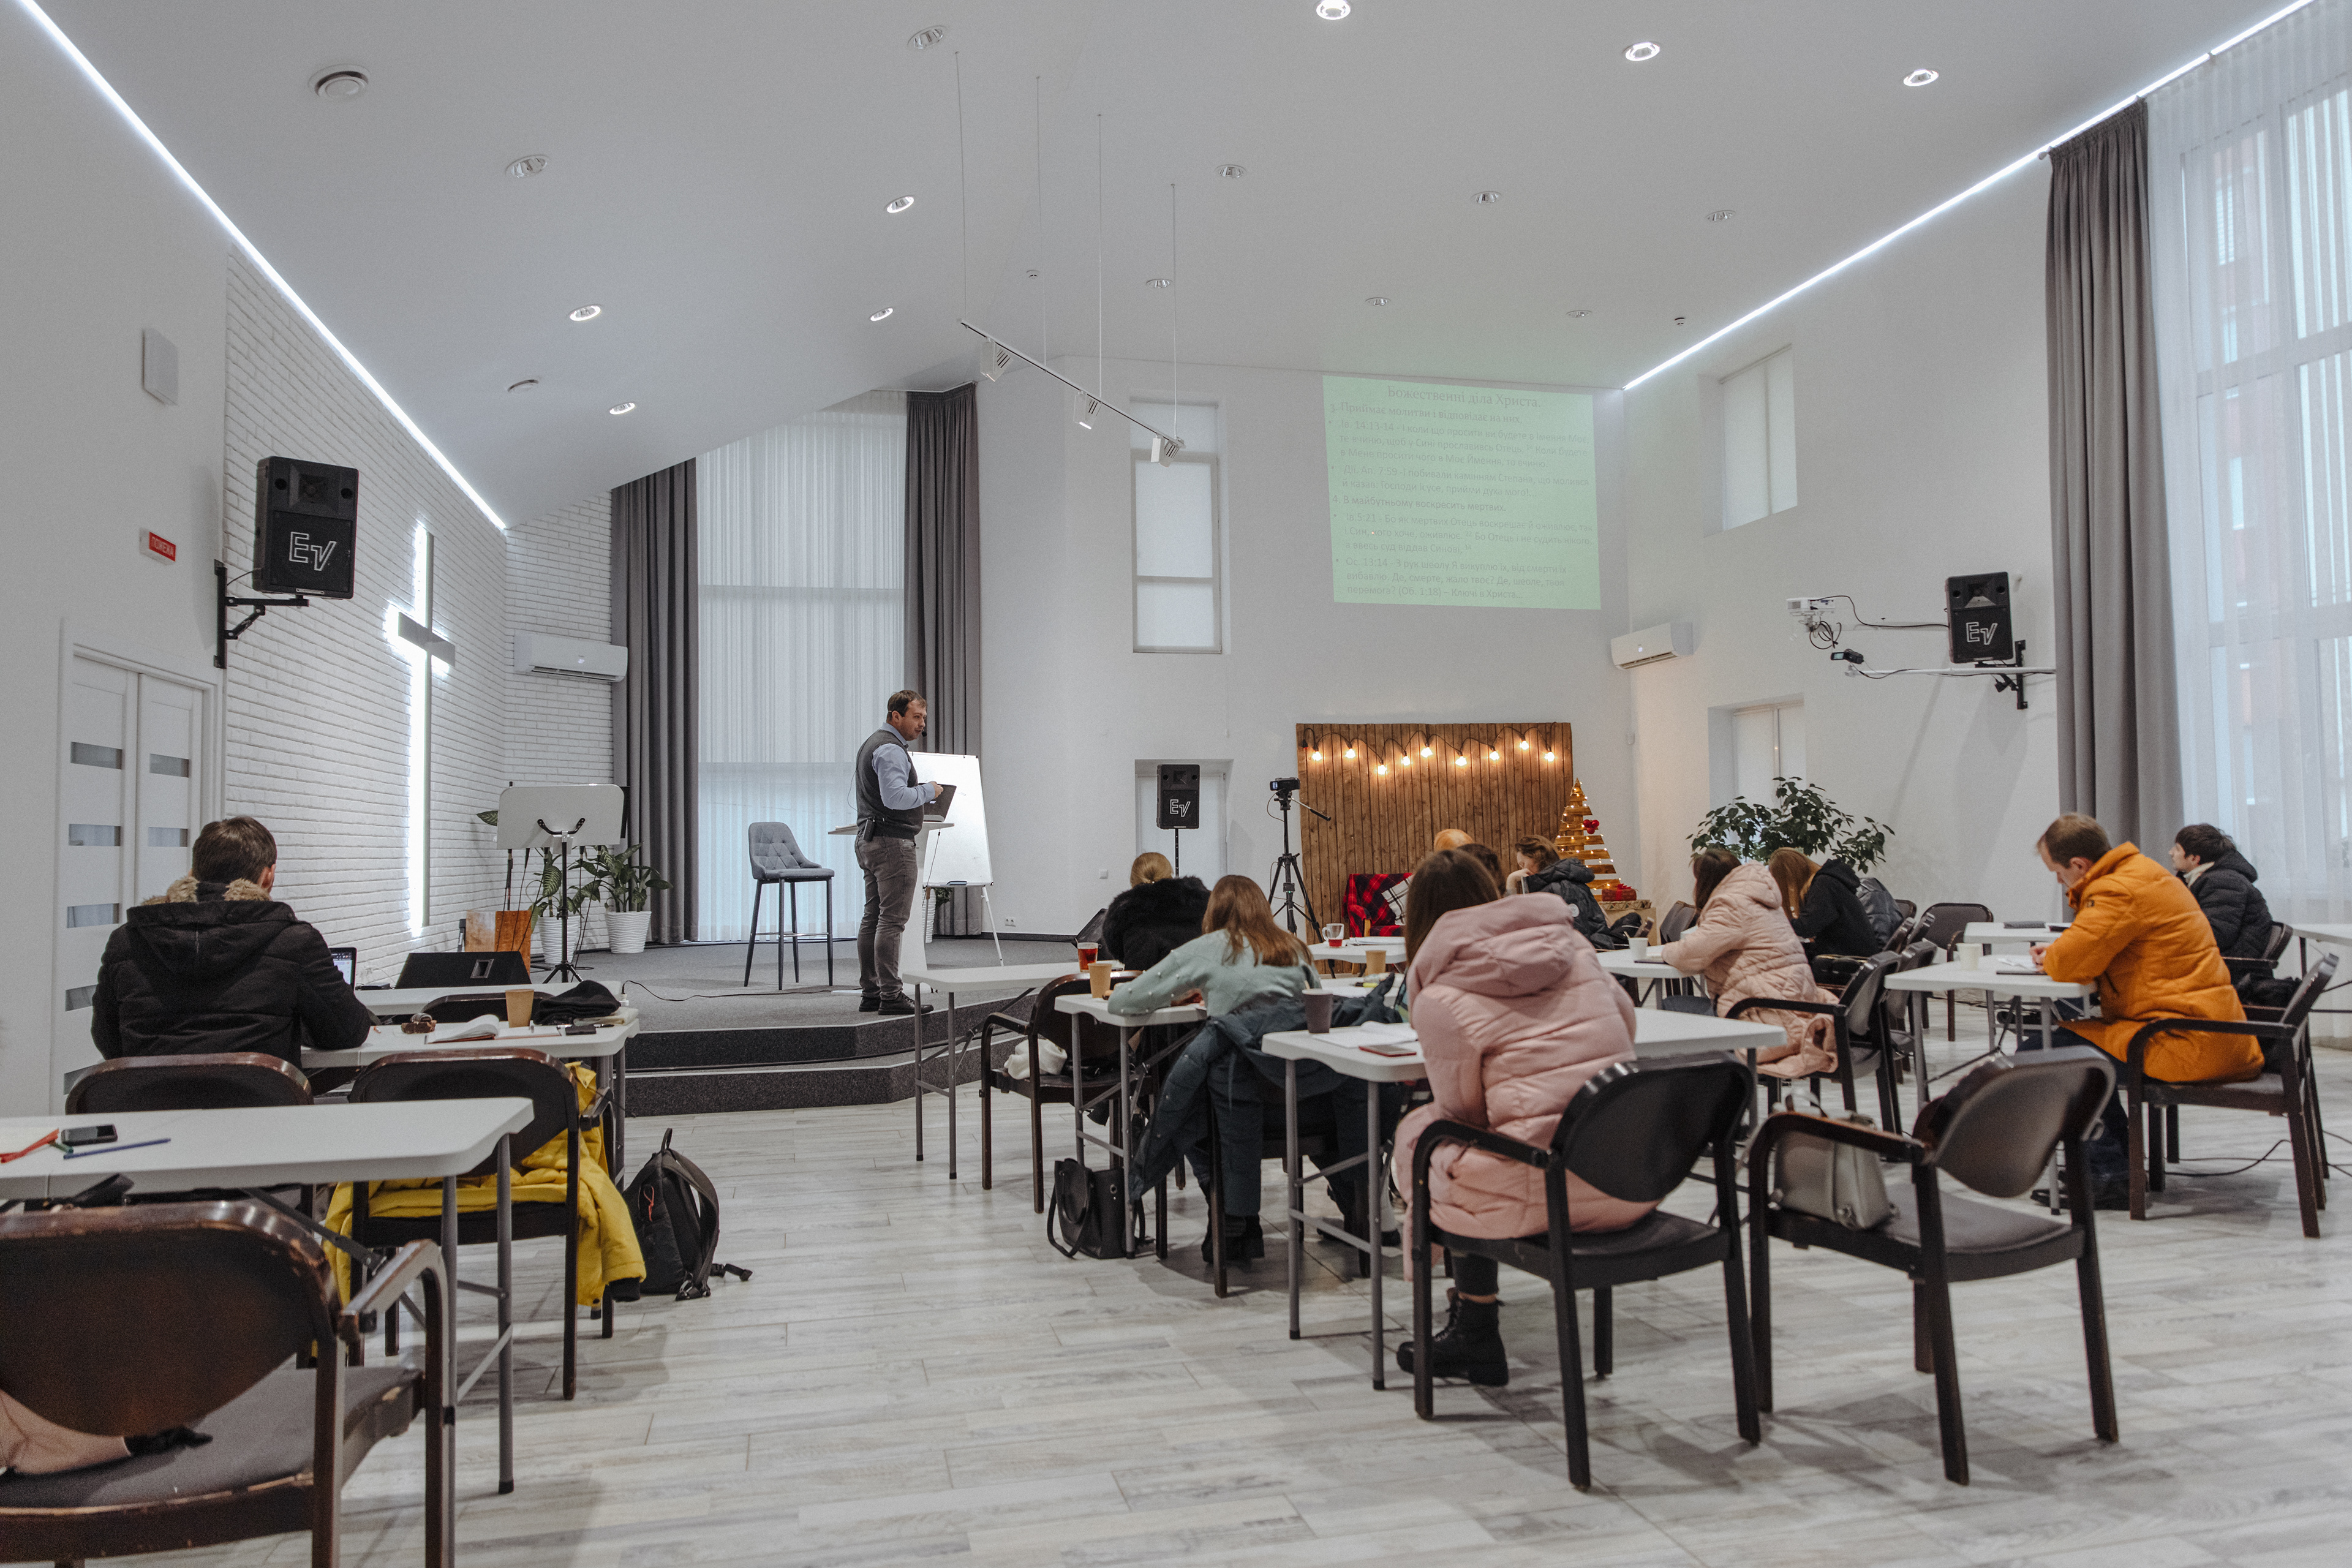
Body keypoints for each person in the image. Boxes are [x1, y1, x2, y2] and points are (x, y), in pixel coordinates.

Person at [1389, 849, 1656, 1386]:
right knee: (1461, 1147)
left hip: (1548, 1191)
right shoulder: (1577, 950)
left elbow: (1465, 1115)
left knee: (1429, 1142)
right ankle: (1473, 1324)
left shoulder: (1441, 1000)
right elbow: (1625, 1030)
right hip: (1633, 1174)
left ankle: (1475, 1324)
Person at [2030, 813, 2255, 1205]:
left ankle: (2111, 1176)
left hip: (2181, 1039)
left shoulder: (2116, 890)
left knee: (2046, 1052)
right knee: (2064, 1044)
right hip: (2204, 1028)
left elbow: (2070, 965)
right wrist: (2061, 952)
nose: (2059, 881)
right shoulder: (2141, 872)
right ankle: (2117, 1166)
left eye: (2058, 872)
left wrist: (2054, 956)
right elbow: (2092, 947)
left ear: (2079, 865)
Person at [1112, 875, 1314, 1259]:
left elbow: (1122, 1002)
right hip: (1296, 1103)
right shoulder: (1295, 948)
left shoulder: (1208, 948)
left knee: (1189, 1110)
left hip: (1236, 1104)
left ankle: (1224, 1205)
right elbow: (1314, 1007)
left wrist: (1179, 994)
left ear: (1212, 912)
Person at [91, 815, 374, 1067]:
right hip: (264, 1104)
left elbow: (109, 1041)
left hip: (149, 1104)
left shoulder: (126, 941)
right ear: (268, 876)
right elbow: (346, 1032)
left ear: (192, 875)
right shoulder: (294, 942)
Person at [1657, 848, 1837, 1079]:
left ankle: (1706, 1087)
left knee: (1672, 1005)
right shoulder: (1763, 900)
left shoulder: (1731, 905)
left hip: (1764, 1016)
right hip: (1796, 1008)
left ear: (1703, 882)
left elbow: (1688, 956)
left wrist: (1666, 950)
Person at [853, 690, 943, 1016]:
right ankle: (891, 996)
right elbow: (894, 798)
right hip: (892, 844)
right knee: (891, 921)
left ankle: (872, 993)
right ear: (896, 716)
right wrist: (929, 791)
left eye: (924, 718)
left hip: (870, 840)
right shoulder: (890, 749)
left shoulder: (872, 743)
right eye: (916, 717)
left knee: (873, 918)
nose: (922, 724)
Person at [2171, 824, 2277, 963]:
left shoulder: (2223, 882)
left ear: (2194, 858)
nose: (2171, 853)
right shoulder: (2208, 879)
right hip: (2220, 960)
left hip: (2231, 966)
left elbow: (2216, 935)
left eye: (2177, 849)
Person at [1100, 852, 1212, 971]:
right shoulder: (1201, 913)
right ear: (1170, 877)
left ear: (1133, 883)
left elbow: (1135, 978)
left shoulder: (1134, 923)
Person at [1767, 848, 1879, 963]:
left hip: (1848, 962)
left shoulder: (1824, 885)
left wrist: (1774, 922)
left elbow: (1806, 927)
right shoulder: (1829, 881)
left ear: (1790, 876)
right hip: (1854, 957)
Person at [1515, 836, 1610, 940]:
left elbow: (1576, 933)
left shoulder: (1563, 887)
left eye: (1523, 864)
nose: (1522, 870)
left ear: (1537, 857)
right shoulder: (1553, 885)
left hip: (1587, 949)